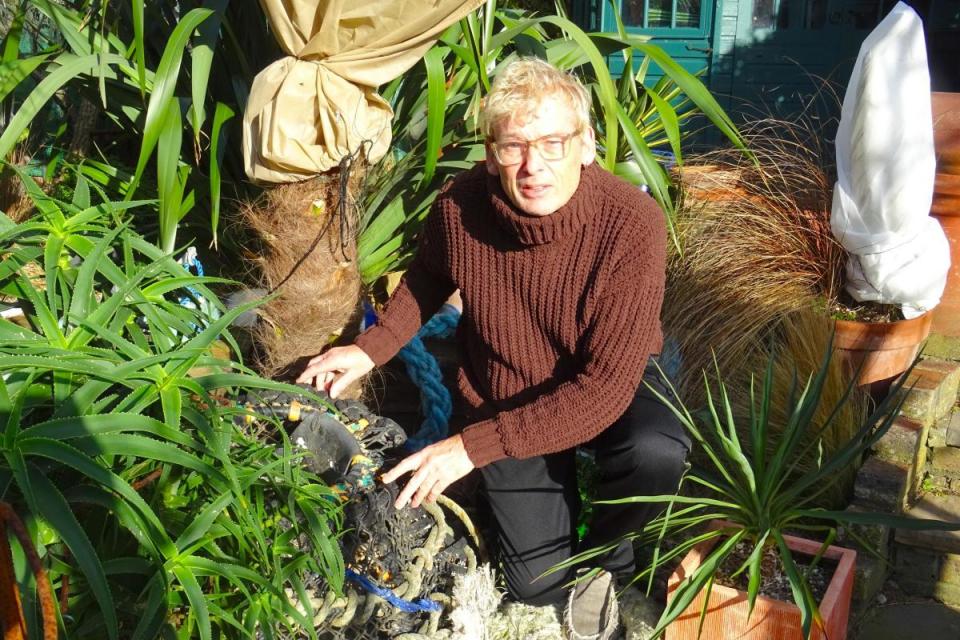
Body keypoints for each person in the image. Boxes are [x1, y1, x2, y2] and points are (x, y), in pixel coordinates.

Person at [297, 57, 689, 617]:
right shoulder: (460, 208)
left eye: (553, 143)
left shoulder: (632, 223)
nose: (533, 165)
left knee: (654, 452)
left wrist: (469, 449)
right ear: (490, 155)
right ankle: (555, 544)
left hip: (604, 378)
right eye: (514, 146)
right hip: (507, 387)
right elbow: (429, 276)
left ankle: (608, 555)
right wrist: (370, 348)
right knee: (537, 587)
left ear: (586, 146)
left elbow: (603, 389)